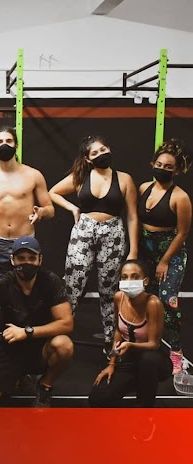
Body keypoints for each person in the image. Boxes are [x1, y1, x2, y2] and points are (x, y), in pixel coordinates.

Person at [0, 236, 74, 408]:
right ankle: (18, 377)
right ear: (12, 260)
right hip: (10, 350)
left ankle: (45, 386)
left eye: (31, 258)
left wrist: (27, 332)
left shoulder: (51, 281)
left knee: (64, 345)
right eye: (21, 258)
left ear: (40, 259)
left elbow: (66, 323)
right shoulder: (3, 283)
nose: (26, 263)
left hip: (41, 348)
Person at [49, 134, 138, 346]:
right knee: (73, 285)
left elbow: (133, 216)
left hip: (113, 234)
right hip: (84, 232)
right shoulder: (81, 177)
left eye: (103, 149)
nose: (101, 154)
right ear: (88, 159)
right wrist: (73, 208)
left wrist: (133, 250)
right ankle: (60, 333)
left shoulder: (124, 179)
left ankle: (111, 340)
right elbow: (53, 192)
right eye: (95, 152)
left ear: (110, 149)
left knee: (109, 289)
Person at [137, 139, 191, 374]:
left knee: (168, 301)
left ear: (176, 170)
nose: (162, 169)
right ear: (153, 164)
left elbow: (183, 233)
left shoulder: (180, 197)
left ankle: (176, 353)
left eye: (168, 166)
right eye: (159, 164)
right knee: (144, 299)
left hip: (170, 252)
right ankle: (149, 343)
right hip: (145, 250)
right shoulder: (143, 188)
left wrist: (165, 261)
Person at [89, 259, 172, 407]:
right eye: (124, 277)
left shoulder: (153, 303)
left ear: (145, 281)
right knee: (97, 398)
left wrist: (130, 345)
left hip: (154, 359)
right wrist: (112, 364)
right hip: (130, 359)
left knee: (148, 360)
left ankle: (146, 407)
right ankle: (138, 381)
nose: (129, 281)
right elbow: (118, 331)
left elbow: (154, 344)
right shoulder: (119, 297)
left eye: (135, 277)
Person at [0, 126, 54, 277]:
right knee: (0, 283)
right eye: (0, 141)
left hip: (25, 240)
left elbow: (50, 210)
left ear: (16, 145)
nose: (4, 144)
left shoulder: (33, 175)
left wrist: (42, 212)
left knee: (26, 282)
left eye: (9, 141)